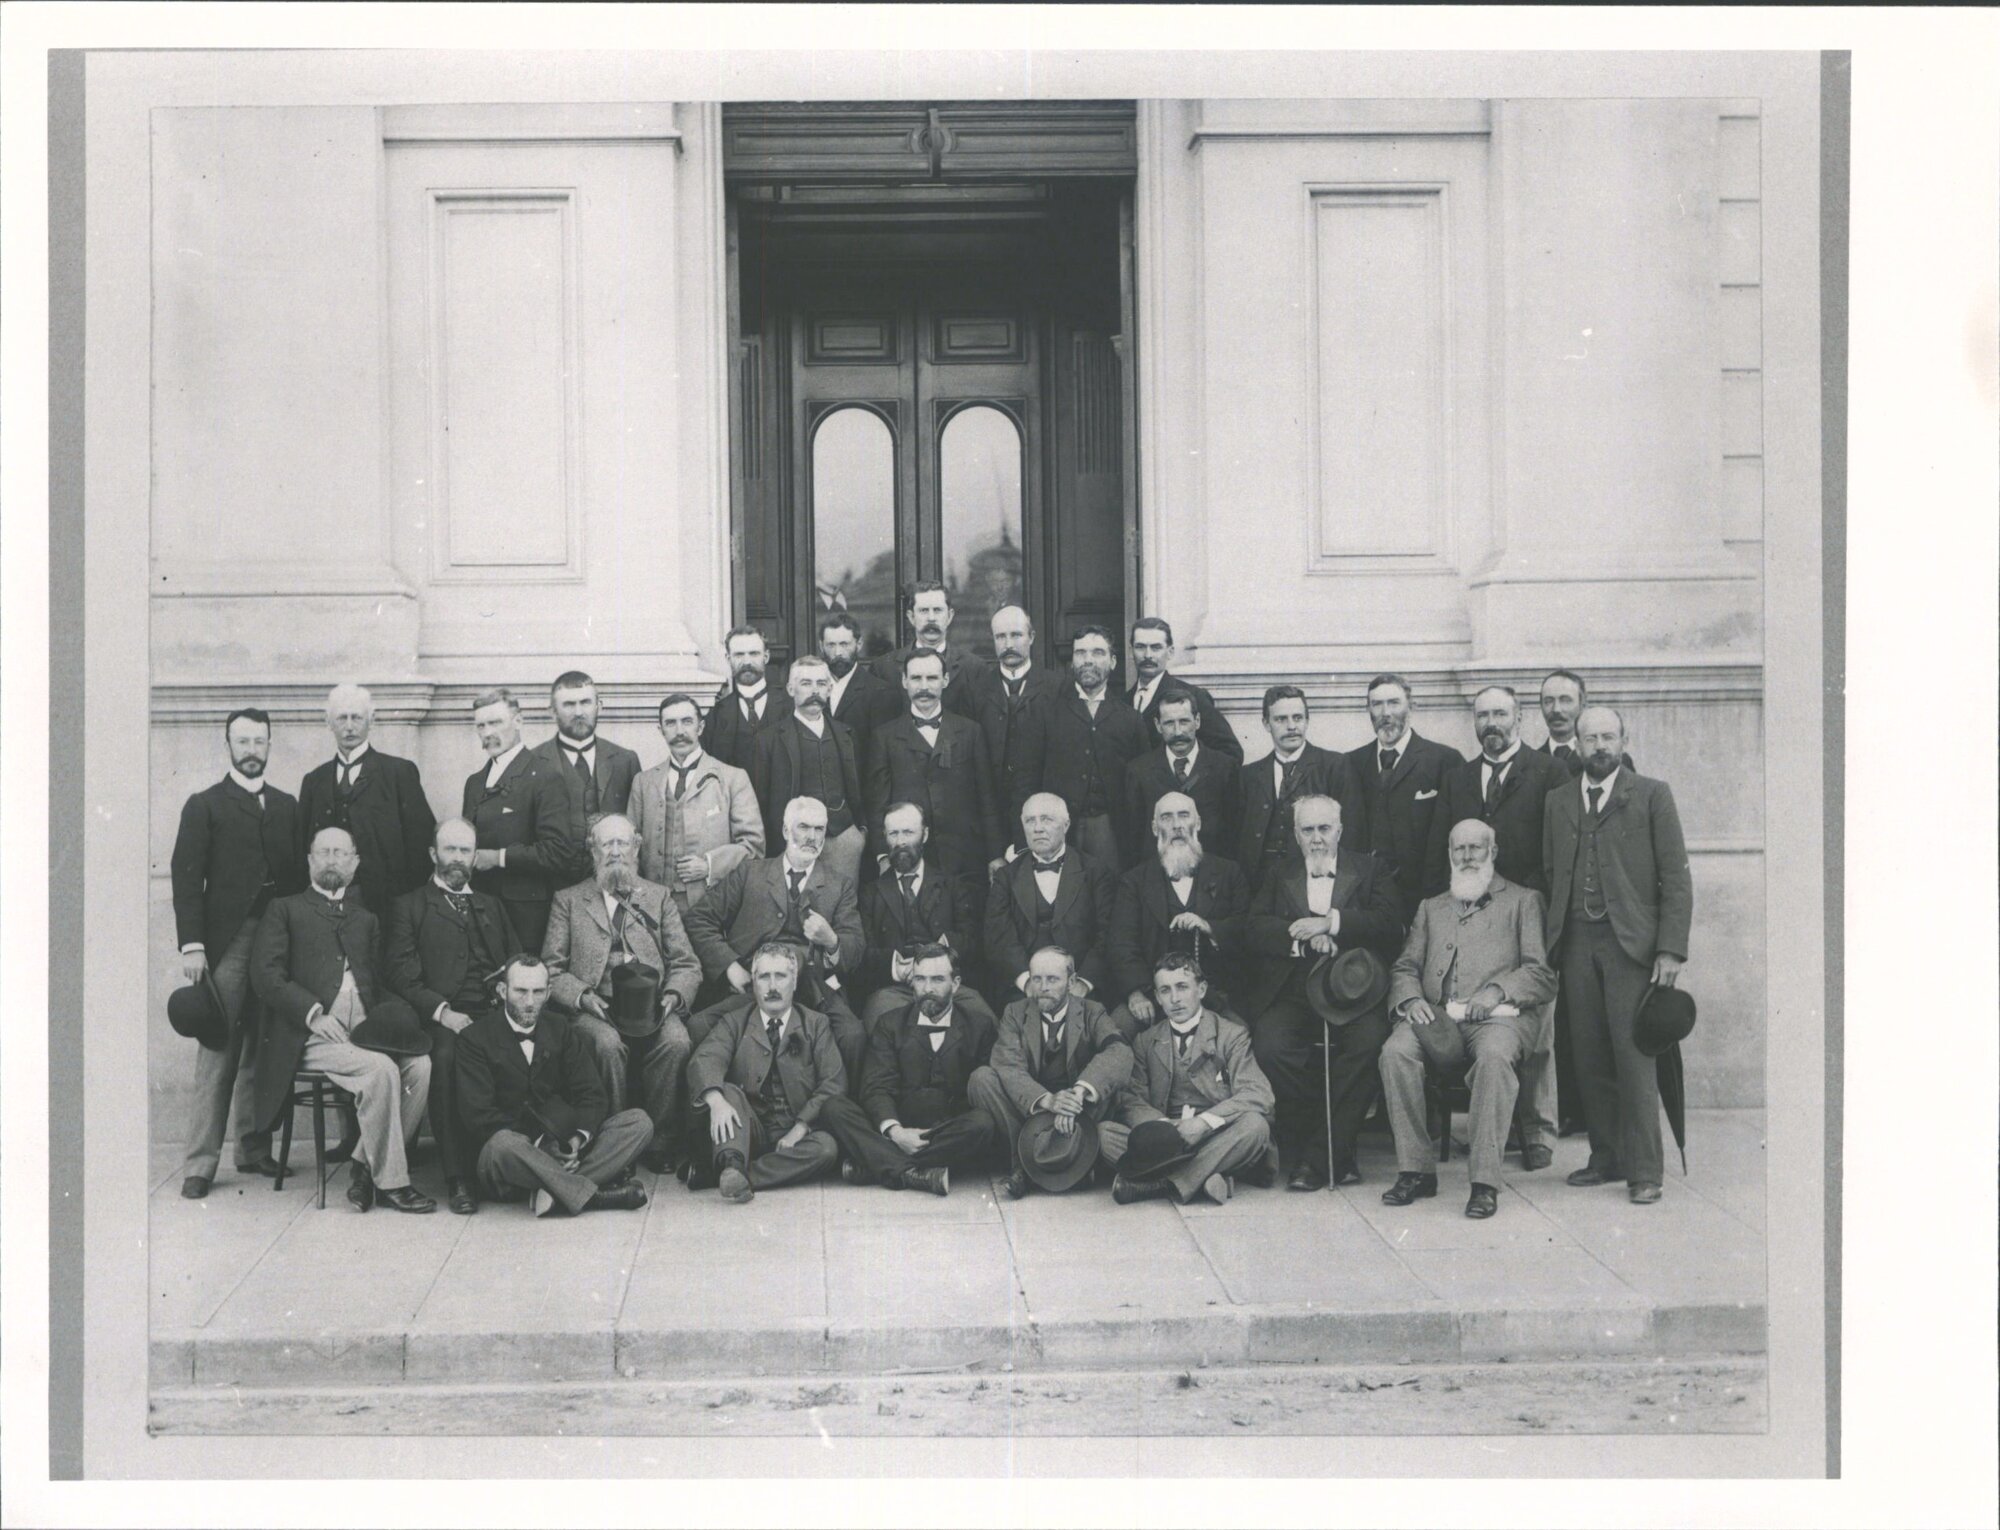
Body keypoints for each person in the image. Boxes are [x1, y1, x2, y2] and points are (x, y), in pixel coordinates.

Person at [1543, 706, 1692, 1206]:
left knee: (1634, 1059)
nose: (1600, 746)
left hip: (1631, 947)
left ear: (1623, 740)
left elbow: (1676, 878)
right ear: (1577, 745)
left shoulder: (1651, 794)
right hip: (1575, 945)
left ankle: (1645, 1171)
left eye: (1608, 737)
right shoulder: (1559, 801)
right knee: (1588, 1056)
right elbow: (1552, 871)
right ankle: (1606, 1156)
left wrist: (1670, 950)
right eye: (1591, 738)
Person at [250, 827, 435, 1213]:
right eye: (324, 852)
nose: (332, 860)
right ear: (310, 860)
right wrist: (313, 1014)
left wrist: (400, 1017)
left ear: (355, 863)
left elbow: (377, 984)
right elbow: (266, 975)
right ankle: (393, 1183)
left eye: (341, 853)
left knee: (420, 1066)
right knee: (382, 1069)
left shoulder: (365, 919)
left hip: (363, 1031)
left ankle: (363, 1166)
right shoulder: (284, 909)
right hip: (309, 1036)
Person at [1379, 820, 1557, 1219]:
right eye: (1459, 849)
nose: (1467, 857)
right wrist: (1411, 1000)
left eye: (1476, 848)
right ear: (1449, 854)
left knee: (1493, 1059)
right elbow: (1406, 966)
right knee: (1395, 1052)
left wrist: (1496, 991)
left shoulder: (1524, 901)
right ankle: (1416, 1170)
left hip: (1497, 1020)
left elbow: (1542, 974)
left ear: (1493, 852)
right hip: (1437, 1017)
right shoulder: (1431, 907)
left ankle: (1484, 1182)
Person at [169, 707, 306, 1198]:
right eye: (243, 741)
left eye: (259, 741)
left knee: (262, 1048)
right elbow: (187, 878)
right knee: (218, 1049)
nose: (251, 750)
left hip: (277, 940)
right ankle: (200, 1164)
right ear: (228, 745)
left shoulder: (288, 806)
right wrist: (193, 945)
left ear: (269, 745)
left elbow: (297, 879)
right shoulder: (204, 805)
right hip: (228, 942)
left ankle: (252, 1149)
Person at [1428, 684, 1567, 1169]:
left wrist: (1544, 906)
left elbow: (1559, 845)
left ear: (1519, 717)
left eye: (1501, 714)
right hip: (1471, 906)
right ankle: (1494, 1127)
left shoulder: (1549, 772)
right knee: (1489, 1025)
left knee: (1535, 1019)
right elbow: (1443, 845)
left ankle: (1537, 1130)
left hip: (1530, 907)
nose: (1492, 723)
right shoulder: (1458, 777)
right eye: (1483, 715)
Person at [1240, 795, 1405, 1190]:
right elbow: (1254, 927)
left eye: (1324, 829)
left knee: (1369, 1044)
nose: (1316, 838)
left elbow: (1390, 923)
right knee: (1270, 1047)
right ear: (1296, 835)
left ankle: (1316, 1159)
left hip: (1354, 991)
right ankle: (1334, 1149)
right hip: (1295, 988)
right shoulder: (1279, 872)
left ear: (1340, 831)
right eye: (1308, 830)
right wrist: (1300, 938)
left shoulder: (1370, 869)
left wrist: (1333, 924)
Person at [542, 814, 702, 1173]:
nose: (615, 851)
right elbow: (551, 969)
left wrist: (672, 997)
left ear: (636, 847)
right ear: (593, 850)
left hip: (652, 1006)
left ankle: (660, 1141)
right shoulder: (569, 900)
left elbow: (687, 963)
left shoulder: (659, 897)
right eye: (606, 844)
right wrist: (583, 997)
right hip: (595, 1007)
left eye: (622, 843)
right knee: (607, 1045)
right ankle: (617, 1142)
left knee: (676, 1042)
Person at [382, 817, 521, 1215]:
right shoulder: (410, 906)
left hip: (494, 1013)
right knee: (445, 1058)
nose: (457, 858)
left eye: (465, 851)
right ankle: (458, 1177)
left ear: (475, 858)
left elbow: (515, 958)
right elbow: (401, 975)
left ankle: (512, 1166)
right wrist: (443, 1013)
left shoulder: (492, 905)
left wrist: (509, 990)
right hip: (443, 1015)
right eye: (450, 849)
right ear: (433, 854)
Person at [682, 796, 869, 1081]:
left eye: (819, 829)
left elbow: (855, 951)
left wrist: (831, 940)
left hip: (815, 991)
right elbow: (698, 919)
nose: (812, 837)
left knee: (853, 1036)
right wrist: (730, 966)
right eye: (803, 827)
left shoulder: (839, 885)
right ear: (785, 830)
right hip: (751, 987)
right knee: (699, 1027)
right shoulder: (751, 872)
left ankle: (839, 1105)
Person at [455, 954, 653, 1218]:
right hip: (510, 1162)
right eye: (520, 991)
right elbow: (479, 1116)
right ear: (502, 991)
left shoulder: (560, 1027)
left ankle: (555, 1192)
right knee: (502, 1143)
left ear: (549, 993)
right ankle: (591, 1195)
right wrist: (540, 1149)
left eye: (538, 992)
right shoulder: (474, 1038)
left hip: (563, 1142)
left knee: (639, 1122)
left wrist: (575, 1140)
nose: (529, 1002)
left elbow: (592, 1094)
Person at [819, 944, 998, 1196]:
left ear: (956, 984)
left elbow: (975, 1097)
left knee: (983, 1123)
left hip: (946, 1132)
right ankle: (913, 1172)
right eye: (920, 979)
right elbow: (877, 1087)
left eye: (937, 979)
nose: (927, 988)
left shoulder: (980, 1026)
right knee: (834, 1107)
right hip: (898, 1126)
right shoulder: (890, 1024)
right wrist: (896, 1133)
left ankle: (877, 1164)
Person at [1100, 953, 1275, 1206]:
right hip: (1164, 1141)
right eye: (1165, 990)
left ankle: (1158, 1184)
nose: (1175, 999)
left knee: (1255, 1126)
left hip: (1215, 1135)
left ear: (1201, 990)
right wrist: (1164, 1128)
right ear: (1157, 997)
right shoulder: (1145, 1041)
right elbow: (1131, 1099)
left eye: (1182, 987)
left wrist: (1203, 1123)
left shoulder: (1231, 1035)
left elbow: (1258, 1093)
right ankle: (1205, 1176)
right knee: (1104, 1134)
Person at [967, 946, 1134, 1200]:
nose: (1043, 987)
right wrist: (1047, 1100)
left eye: (1052, 979)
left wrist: (1078, 1094)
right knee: (982, 1079)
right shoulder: (1015, 1012)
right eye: (1037, 979)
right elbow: (1007, 1064)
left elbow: (1120, 1051)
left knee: (1106, 1081)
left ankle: (1065, 1158)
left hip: (1077, 1110)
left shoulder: (1092, 1011)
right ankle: (1022, 1164)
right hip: (1029, 1109)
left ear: (1072, 981)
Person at [685, 941, 844, 1203]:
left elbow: (833, 1083)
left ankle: (735, 1175)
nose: (772, 986)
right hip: (748, 1128)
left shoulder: (816, 1024)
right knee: (727, 1092)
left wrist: (800, 1128)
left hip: (793, 1129)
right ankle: (732, 1162)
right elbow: (705, 1059)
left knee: (826, 1148)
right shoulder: (735, 1021)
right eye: (764, 977)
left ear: (794, 981)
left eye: (780, 976)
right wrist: (716, 1101)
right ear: (754, 982)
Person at [1105, 792, 1251, 1038]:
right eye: (1166, 818)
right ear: (1155, 828)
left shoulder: (1228, 872)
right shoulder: (1134, 881)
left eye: (1184, 816)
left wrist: (1210, 927)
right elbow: (1122, 944)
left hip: (1212, 996)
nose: (1176, 825)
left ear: (1198, 823)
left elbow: (1246, 929)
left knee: (1239, 1035)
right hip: (1153, 994)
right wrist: (1135, 993)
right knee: (1116, 1030)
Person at [864, 648, 1004, 882]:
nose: (924, 687)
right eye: (916, 678)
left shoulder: (971, 732)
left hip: (965, 859)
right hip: (909, 858)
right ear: (904, 681)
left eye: (932, 678)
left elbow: (987, 798)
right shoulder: (884, 737)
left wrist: (995, 854)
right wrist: (883, 855)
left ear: (945, 680)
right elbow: (878, 803)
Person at [296, 683, 435, 916]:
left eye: (357, 718)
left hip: (386, 907)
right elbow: (302, 846)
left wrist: (404, 904)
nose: (349, 726)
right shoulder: (314, 780)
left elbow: (421, 843)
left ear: (372, 720)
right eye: (342, 718)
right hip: (326, 906)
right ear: (328, 722)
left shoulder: (398, 773)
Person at [855, 802, 993, 1031]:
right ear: (885, 837)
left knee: (983, 1021)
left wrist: (939, 960)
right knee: (882, 1025)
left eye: (908, 832)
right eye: (894, 833)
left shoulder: (951, 885)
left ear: (925, 834)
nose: (901, 841)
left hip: (948, 988)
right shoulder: (871, 893)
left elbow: (972, 940)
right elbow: (863, 953)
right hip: (894, 991)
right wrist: (898, 968)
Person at [460, 687, 578, 954]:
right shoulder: (474, 783)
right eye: (481, 726)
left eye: (495, 722)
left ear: (518, 721)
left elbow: (558, 851)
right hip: (481, 909)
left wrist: (498, 857)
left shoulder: (544, 776)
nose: (488, 732)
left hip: (525, 917)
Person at [1344, 673, 1465, 922]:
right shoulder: (1350, 763)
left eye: (1394, 703)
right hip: (1367, 901)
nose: (1385, 713)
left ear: (1412, 706)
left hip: (1426, 897)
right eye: (1377, 704)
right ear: (1368, 710)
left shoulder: (1445, 760)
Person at [627, 692, 763, 911]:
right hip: (654, 905)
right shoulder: (643, 782)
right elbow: (630, 847)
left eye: (687, 722)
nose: (679, 731)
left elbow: (753, 847)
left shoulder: (732, 778)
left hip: (710, 904)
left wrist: (709, 865)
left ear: (700, 727)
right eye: (670, 723)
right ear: (661, 730)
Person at [984, 793, 1119, 1010]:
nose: (1038, 828)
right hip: (1024, 991)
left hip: (1080, 987)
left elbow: (1108, 933)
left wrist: (1084, 982)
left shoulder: (1096, 872)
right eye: (1030, 821)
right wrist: (1027, 982)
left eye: (1046, 819)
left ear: (1066, 825)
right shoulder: (1006, 877)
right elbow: (999, 938)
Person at [1033, 625, 1151, 871]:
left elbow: (1143, 786)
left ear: (1113, 661)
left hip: (1112, 836)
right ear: (1072, 662)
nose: (1088, 660)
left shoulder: (1130, 719)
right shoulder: (1047, 713)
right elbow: (1028, 778)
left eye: (1097, 652)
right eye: (1081, 653)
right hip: (1060, 833)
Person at [750, 653, 868, 888]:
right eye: (806, 683)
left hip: (842, 839)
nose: (815, 691)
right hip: (793, 842)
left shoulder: (846, 734)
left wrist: (860, 832)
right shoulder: (769, 740)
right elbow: (761, 800)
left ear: (829, 689)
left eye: (821, 683)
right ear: (790, 689)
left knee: (840, 901)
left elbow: (861, 787)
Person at [1233, 685, 1362, 892]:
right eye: (1281, 719)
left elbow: (1351, 833)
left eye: (1298, 718)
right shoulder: (1248, 775)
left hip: (1314, 883)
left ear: (1307, 720)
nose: (1291, 726)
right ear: (1266, 723)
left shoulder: (1334, 766)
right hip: (1259, 885)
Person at [957, 603, 1062, 845]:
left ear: (1031, 637)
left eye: (1016, 635)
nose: (1008, 644)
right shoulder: (975, 690)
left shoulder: (1057, 687)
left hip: (1041, 815)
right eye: (1001, 637)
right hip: (990, 816)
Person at [530, 671, 643, 866]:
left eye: (585, 702)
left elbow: (637, 827)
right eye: (569, 704)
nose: (579, 712)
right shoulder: (532, 762)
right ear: (553, 711)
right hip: (553, 877)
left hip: (611, 875)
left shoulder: (625, 760)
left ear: (599, 706)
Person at [1123, 690, 1240, 861]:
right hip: (1158, 871)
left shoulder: (1225, 768)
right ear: (1158, 725)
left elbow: (1234, 833)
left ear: (1197, 721)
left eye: (1184, 722)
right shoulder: (1139, 771)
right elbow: (1134, 838)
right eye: (1169, 723)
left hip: (1212, 871)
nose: (1178, 732)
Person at [1124, 617, 1242, 761]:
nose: (1148, 655)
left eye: (1156, 647)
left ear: (1170, 652)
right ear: (1131, 651)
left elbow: (1230, 753)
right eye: (1140, 647)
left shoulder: (1194, 696)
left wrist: (1186, 773)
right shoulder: (1122, 702)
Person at [869, 579, 988, 714]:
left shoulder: (974, 668)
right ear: (911, 617)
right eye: (924, 610)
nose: (931, 618)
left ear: (949, 616)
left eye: (937, 610)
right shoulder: (883, 669)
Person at [700, 625, 792, 771]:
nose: (747, 662)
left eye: (754, 654)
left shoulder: (790, 708)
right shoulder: (715, 716)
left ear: (766, 657)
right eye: (739, 655)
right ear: (728, 659)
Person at [1535, 669, 1633, 775]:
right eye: (1548, 701)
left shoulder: (1614, 759)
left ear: (1583, 704)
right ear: (1541, 706)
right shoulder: (1531, 762)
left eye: (1565, 700)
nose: (1556, 709)